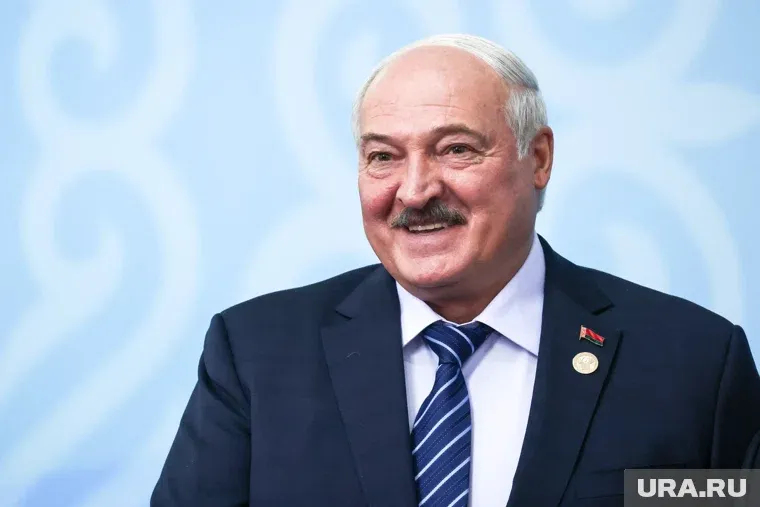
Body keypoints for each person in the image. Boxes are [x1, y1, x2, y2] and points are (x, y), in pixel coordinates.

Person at [150, 34, 760, 506]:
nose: (415, 190)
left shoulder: (695, 364)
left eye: (456, 149)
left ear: (538, 158)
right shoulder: (256, 353)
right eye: (383, 156)